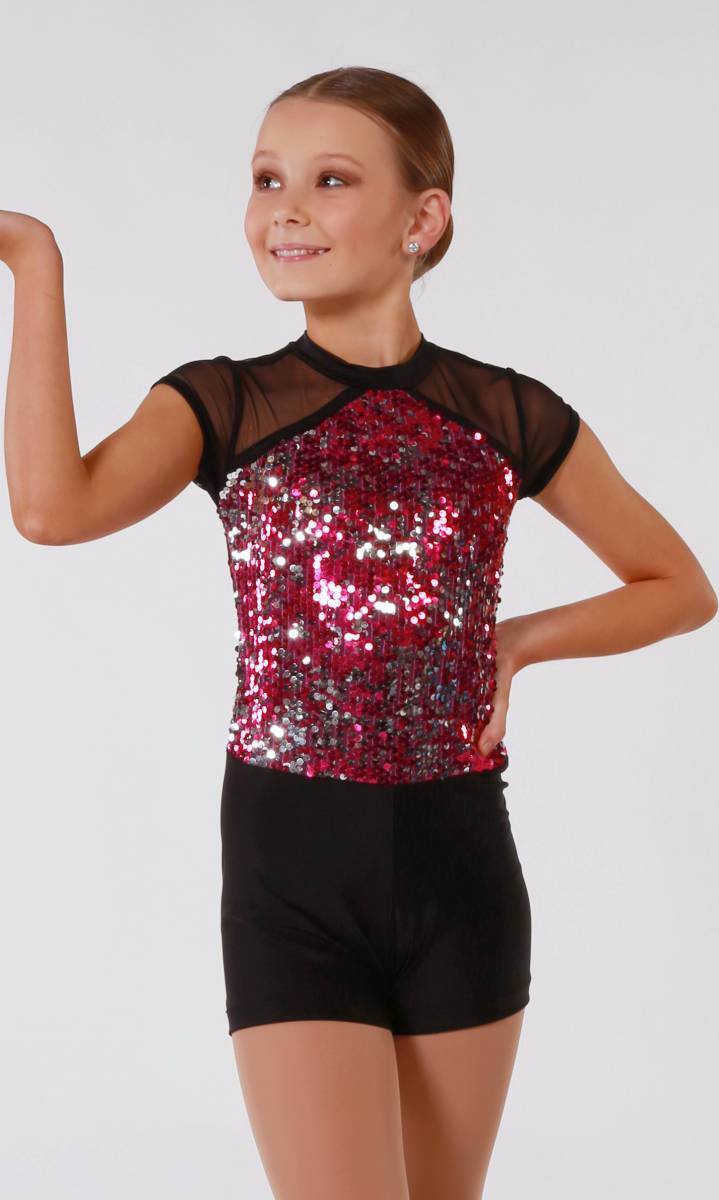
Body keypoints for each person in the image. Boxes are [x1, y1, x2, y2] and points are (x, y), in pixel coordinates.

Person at [2, 64, 716, 1200]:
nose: (284, 209)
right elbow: (52, 509)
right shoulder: (222, 403)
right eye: (265, 179)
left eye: (329, 180)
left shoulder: (504, 412)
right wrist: (33, 261)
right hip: (290, 866)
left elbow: (678, 585)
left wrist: (515, 641)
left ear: (421, 218)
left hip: (461, 867)